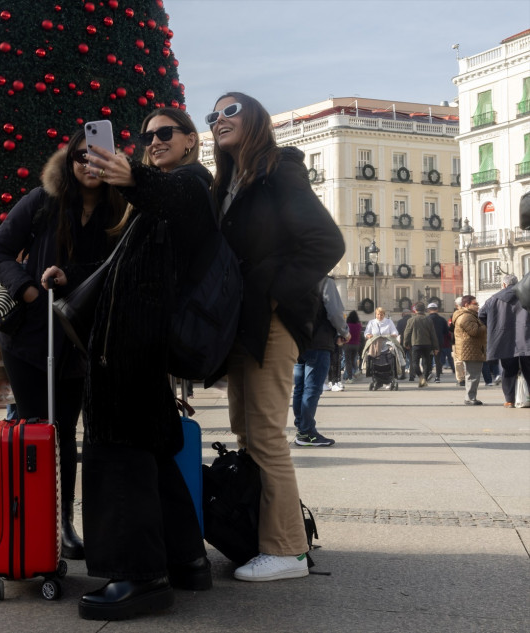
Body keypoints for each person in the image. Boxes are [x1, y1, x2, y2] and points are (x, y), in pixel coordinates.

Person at [75, 106, 216, 619]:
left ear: (190, 142)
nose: (153, 140)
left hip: (133, 347)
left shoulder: (193, 185)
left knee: (120, 454)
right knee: (153, 449)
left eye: (164, 133)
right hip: (135, 344)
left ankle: (140, 576)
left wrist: (133, 177)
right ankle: (185, 559)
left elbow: (169, 197)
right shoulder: (165, 193)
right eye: (146, 136)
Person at [207, 92, 344, 582]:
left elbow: (326, 242)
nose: (218, 119)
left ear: (255, 120)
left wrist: (272, 295)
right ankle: (260, 537)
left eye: (229, 111)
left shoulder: (278, 169)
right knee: (246, 434)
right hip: (244, 326)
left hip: (272, 322)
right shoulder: (229, 181)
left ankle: (287, 551)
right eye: (213, 115)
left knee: (266, 436)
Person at [0, 129, 125, 561]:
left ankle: (63, 522)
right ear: (70, 162)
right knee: (34, 428)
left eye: (98, 157)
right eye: (82, 157)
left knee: (65, 430)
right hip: (28, 337)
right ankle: (34, 518)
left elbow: (115, 267)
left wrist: (74, 278)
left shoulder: (118, 209)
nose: (89, 165)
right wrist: (27, 289)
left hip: (78, 339)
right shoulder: (43, 200)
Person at [292, 277, 349, 447]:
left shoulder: (295, 279)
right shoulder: (324, 280)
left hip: (298, 343)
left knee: (300, 388)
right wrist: (344, 332)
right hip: (319, 342)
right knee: (312, 389)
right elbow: (334, 312)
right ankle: (306, 432)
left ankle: (301, 428)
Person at [479, 274, 530, 408]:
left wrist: (493, 326)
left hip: (503, 339)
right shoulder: (526, 295)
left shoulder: (494, 298)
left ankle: (509, 400)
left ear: (503, 284)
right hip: (526, 338)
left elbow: (481, 314)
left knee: (508, 370)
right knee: (528, 369)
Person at [454, 295, 487, 405]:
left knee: (472, 374)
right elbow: (474, 331)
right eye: (475, 304)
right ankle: (470, 397)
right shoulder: (467, 317)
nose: (477, 306)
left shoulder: (470, 315)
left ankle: (470, 397)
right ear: (467, 305)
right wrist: (486, 325)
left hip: (471, 348)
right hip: (471, 349)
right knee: (473, 375)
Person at [402, 302, 439, 387]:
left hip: (416, 344)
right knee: (426, 362)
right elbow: (433, 334)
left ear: (415, 310)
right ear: (424, 310)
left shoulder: (411, 320)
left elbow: (407, 333)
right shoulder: (429, 320)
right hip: (427, 344)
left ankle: (420, 376)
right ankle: (424, 379)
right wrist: (435, 347)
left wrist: (406, 343)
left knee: (415, 362)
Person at [427, 303, 451, 383]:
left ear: (428, 310)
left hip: (428, 341)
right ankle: (437, 376)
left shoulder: (426, 319)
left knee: (428, 359)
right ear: (437, 309)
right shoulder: (442, 319)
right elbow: (446, 332)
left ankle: (428, 374)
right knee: (438, 360)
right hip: (439, 342)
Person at [342, 311, 362, 383]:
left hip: (348, 344)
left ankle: (350, 378)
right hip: (356, 345)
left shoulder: (347, 325)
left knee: (348, 362)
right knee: (353, 359)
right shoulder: (359, 325)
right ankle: (356, 370)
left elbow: (344, 334)